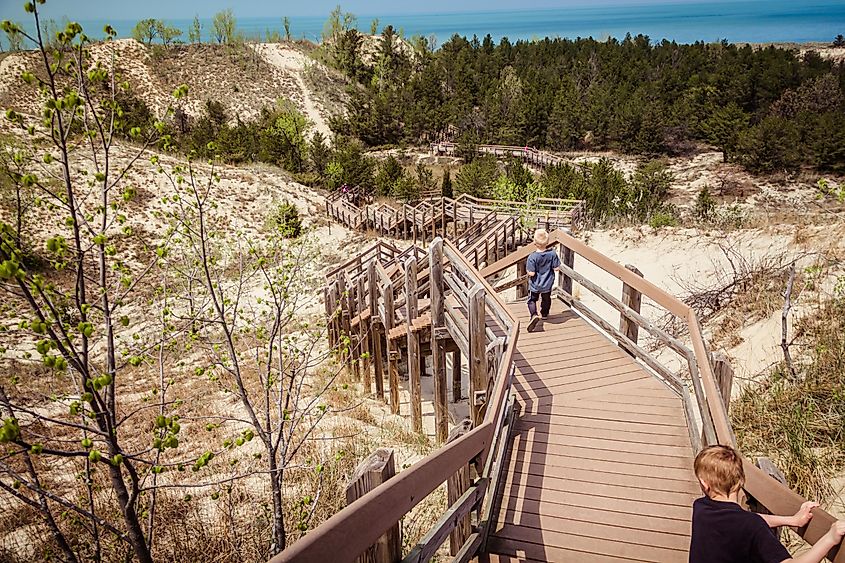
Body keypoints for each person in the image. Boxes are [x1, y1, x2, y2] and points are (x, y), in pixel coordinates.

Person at [690, 445, 845, 563]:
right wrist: (830, 538)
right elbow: (748, 521)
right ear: (740, 481)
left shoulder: (701, 508)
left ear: (704, 484)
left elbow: (745, 519)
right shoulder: (750, 526)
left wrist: (791, 520)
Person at [526, 228, 561, 332]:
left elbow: (531, 273)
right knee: (546, 299)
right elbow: (556, 268)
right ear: (548, 242)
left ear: (534, 243)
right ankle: (544, 314)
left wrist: (527, 271)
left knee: (532, 300)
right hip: (547, 283)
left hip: (535, 284)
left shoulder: (532, 257)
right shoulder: (552, 254)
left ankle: (534, 315)